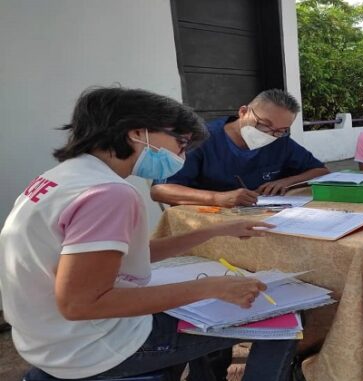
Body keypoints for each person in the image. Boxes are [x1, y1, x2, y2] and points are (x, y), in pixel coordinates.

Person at [0, 87, 297, 381]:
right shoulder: (109, 193)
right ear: (137, 133)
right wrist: (211, 288)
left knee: (209, 305)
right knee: (285, 320)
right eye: (180, 142)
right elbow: (81, 304)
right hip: (95, 348)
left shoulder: (63, 177)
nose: (183, 153)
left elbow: (124, 257)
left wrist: (216, 230)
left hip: (46, 339)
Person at [151, 89, 329, 207]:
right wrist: (216, 198)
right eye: (264, 125)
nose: (269, 134)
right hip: (210, 222)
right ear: (243, 112)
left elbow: (320, 171)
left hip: (264, 218)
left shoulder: (280, 142)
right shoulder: (199, 139)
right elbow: (160, 190)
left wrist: (285, 182)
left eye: (280, 130)